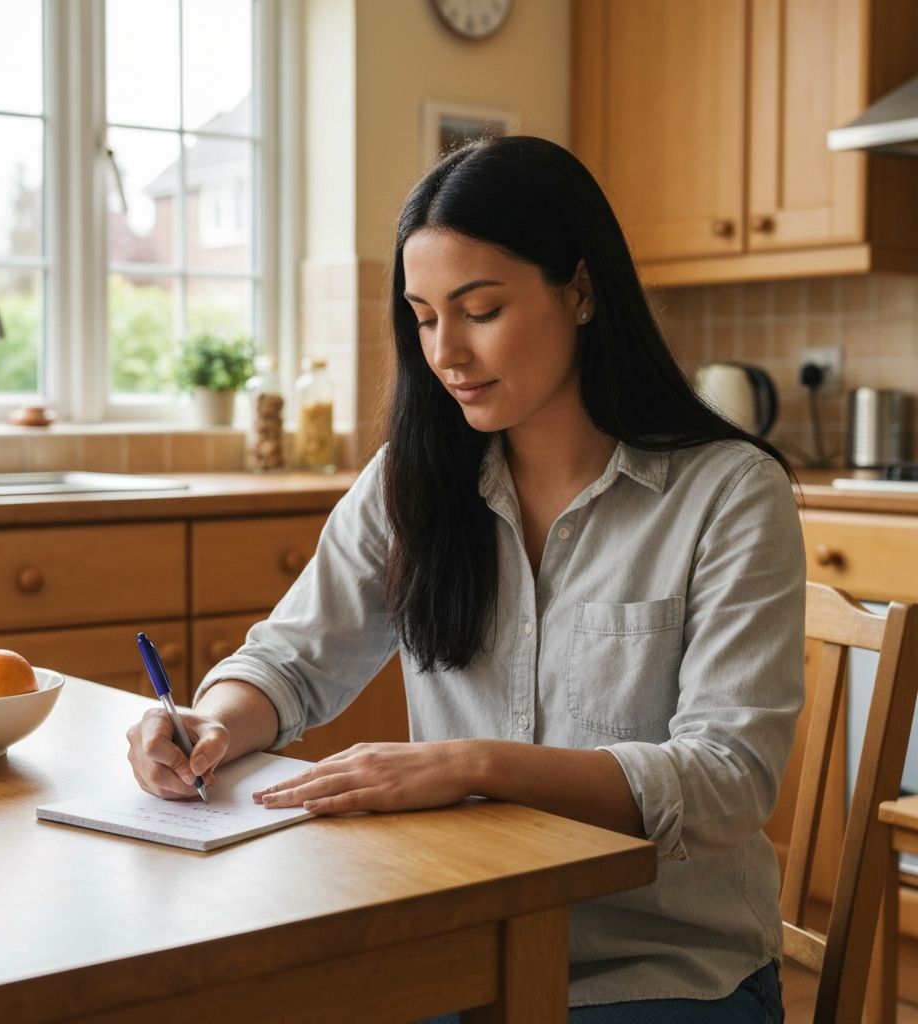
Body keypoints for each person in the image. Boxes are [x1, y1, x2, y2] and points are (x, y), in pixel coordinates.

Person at [127, 135, 803, 1023]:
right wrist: (206, 723)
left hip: (664, 969)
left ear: (582, 290)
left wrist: (474, 766)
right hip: (454, 952)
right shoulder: (414, 480)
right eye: (423, 315)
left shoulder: (728, 493)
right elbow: (290, 660)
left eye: (480, 309)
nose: (445, 351)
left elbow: (727, 777)